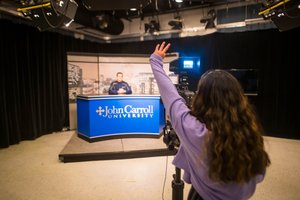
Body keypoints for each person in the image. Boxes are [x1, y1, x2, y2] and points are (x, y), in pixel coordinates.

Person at [150, 42, 270, 200]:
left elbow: (170, 97)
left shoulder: (194, 130)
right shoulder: (250, 132)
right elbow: (258, 176)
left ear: (202, 98)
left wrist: (156, 60)